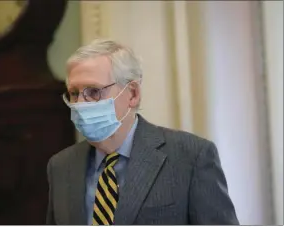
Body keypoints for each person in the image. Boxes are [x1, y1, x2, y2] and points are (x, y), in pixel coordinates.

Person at [46, 39, 239, 225]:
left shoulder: (191, 157)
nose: (80, 104)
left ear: (132, 94)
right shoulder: (61, 166)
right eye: (74, 93)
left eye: (94, 92)